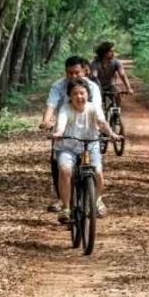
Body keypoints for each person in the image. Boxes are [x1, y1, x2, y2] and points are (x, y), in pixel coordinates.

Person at [39, 57, 102, 211]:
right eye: (69, 73)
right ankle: (62, 200)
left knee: (96, 168)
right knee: (60, 166)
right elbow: (51, 105)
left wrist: (98, 124)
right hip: (64, 132)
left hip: (87, 132)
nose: (73, 76)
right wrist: (46, 122)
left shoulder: (92, 87)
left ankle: (97, 199)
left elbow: (97, 108)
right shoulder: (58, 86)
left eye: (77, 72)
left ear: (84, 71)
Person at [52, 80, 118, 222]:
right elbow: (62, 122)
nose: (79, 97)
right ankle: (65, 208)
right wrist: (59, 132)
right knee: (65, 171)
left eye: (82, 93)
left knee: (97, 171)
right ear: (70, 96)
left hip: (90, 145)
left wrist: (112, 134)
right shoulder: (65, 108)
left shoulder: (94, 107)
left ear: (88, 94)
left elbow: (101, 122)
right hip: (67, 147)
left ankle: (98, 200)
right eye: (75, 94)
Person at [93, 41, 134, 108]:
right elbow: (94, 77)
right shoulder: (95, 63)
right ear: (105, 53)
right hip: (98, 87)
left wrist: (128, 88)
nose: (113, 53)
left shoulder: (116, 62)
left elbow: (122, 75)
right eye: (111, 51)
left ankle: (116, 111)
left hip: (110, 85)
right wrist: (96, 89)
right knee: (97, 103)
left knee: (117, 94)